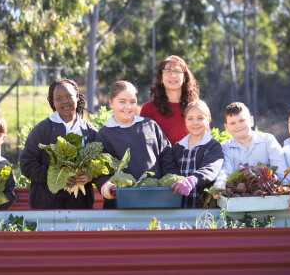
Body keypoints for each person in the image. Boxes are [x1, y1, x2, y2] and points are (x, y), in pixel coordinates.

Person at [94, 80, 179, 209]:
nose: (128, 107)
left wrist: (170, 180)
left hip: (156, 199)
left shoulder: (150, 125)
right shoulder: (104, 134)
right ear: (111, 103)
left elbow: (166, 156)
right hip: (121, 203)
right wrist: (105, 185)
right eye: (122, 102)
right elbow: (100, 171)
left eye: (132, 102)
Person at [20, 78, 97, 209]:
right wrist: (59, 177)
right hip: (46, 204)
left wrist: (91, 175)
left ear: (77, 96)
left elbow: (101, 164)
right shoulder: (42, 130)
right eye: (58, 98)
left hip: (81, 204)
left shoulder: (90, 131)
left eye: (68, 96)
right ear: (53, 102)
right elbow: (27, 165)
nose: (64, 101)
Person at [213, 102, 287, 197]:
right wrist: (220, 184)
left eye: (242, 120)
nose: (238, 126)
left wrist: (283, 189)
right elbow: (225, 169)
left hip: (268, 195)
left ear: (251, 121)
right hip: (240, 196)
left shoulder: (268, 140)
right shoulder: (226, 147)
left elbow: (280, 168)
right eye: (232, 123)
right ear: (226, 127)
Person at [171, 100, 224, 208]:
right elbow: (170, 168)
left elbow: (210, 169)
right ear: (185, 120)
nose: (195, 122)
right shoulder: (177, 147)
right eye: (190, 118)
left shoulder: (213, 146)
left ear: (208, 119)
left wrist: (193, 180)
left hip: (203, 208)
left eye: (200, 118)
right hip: (178, 206)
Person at [140, 55, 199, 145]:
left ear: (184, 77)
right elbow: (146, 144)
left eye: (177, 71)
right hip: (159, 159)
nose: (173, 75)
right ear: (161, 78)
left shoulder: (196, 108)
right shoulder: (148, 109)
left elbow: (205, 141)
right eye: (168, 71)